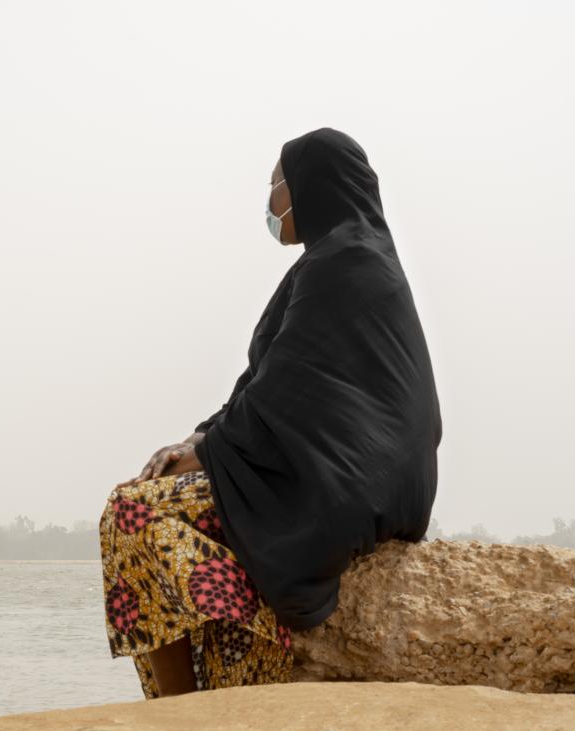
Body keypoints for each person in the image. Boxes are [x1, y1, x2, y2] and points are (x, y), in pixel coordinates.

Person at [99, 127, 443, 700]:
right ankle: (216, 690)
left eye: (276, 185)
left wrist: (207, 455)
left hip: (347, 485)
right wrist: (201, 438)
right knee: (199, 527)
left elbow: (287, 391)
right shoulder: (353, 255)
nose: (271, 200)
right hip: (370, 478)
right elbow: (267, 382)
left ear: (310, 186)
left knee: (131, 511)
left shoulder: (342, 262)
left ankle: (177, 709)